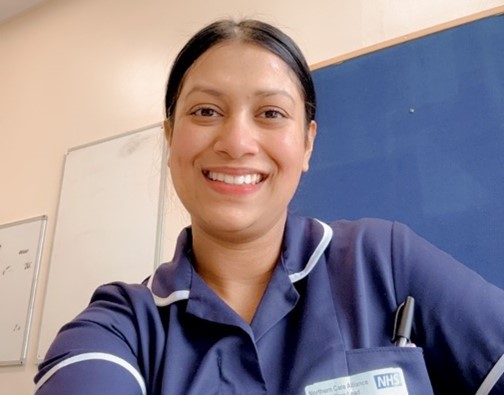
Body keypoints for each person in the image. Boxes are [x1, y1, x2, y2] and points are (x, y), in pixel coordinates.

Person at [34, 19, 504, 395]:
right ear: (170, 137)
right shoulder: (123, 325)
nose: (237, 143)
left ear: (307, 144)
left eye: (271, 114)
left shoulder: (383, 259)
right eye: (205, 111)